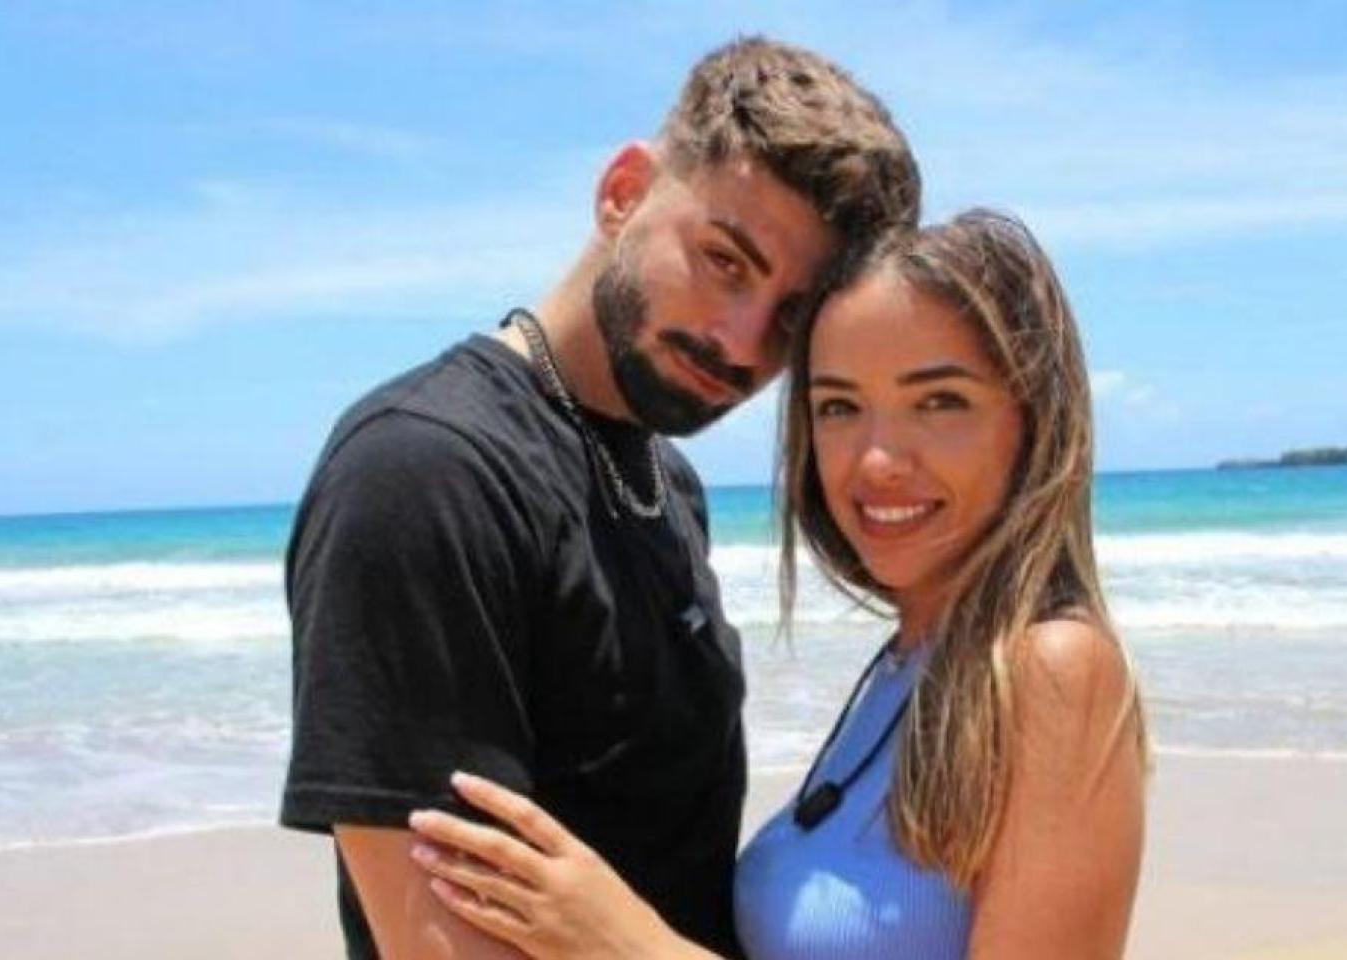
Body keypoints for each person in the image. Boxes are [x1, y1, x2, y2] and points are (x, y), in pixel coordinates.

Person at [279, 37, 920, 959]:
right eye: (724, 261)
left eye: (791, 316)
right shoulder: (426, 473)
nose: (742, 342)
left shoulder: (666, 480)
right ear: (624, 192)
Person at [407, 210, 1150, 958]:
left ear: (1033, 420)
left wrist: (627, 943)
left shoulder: (1053, 671)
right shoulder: (906, 666)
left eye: (939, 401)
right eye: (839, 407)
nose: (877, 460)